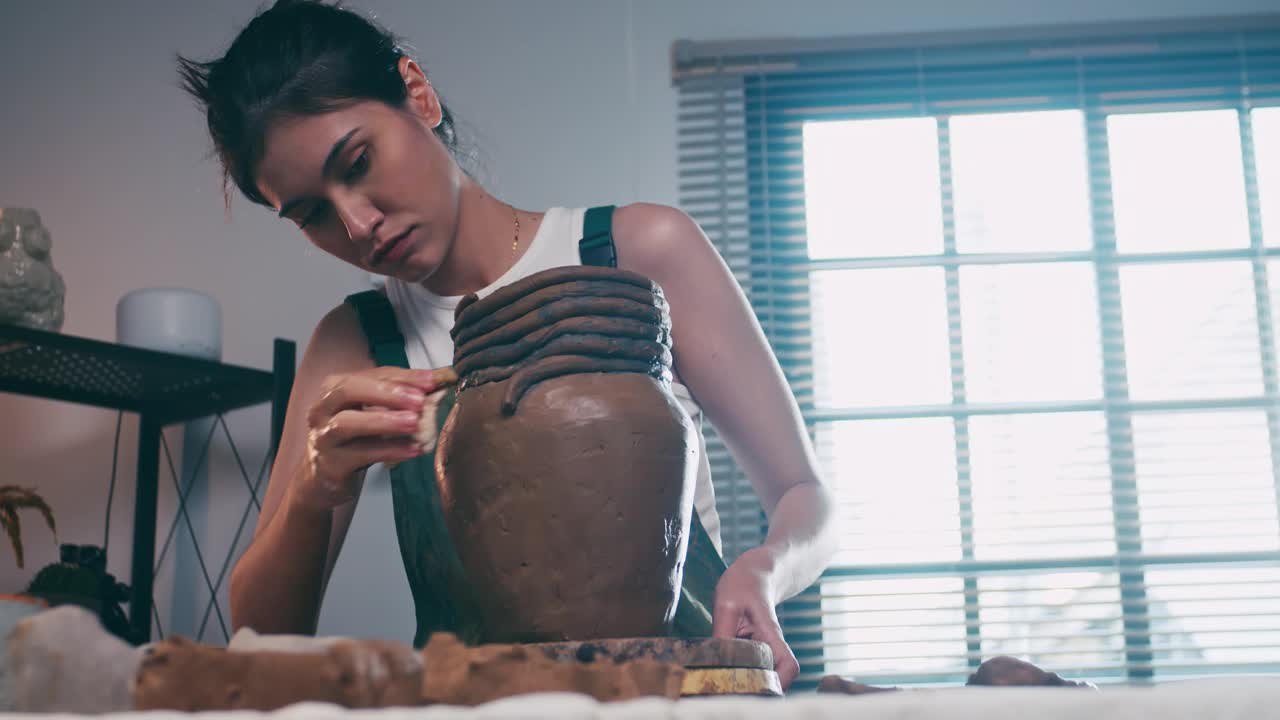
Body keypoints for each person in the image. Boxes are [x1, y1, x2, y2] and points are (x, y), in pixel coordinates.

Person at [178, 0, 834, 689]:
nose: (357, 224)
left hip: (683, 700)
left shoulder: (635, 252)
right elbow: (259, 642)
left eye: (358, 162)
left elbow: (806, 498)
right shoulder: (358, 342)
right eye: (313, 214)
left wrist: (765, 568)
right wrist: (313, 494)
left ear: (418, 94)